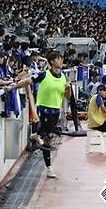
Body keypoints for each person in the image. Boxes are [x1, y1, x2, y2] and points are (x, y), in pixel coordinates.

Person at [32, 51, 71, 179]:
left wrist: (68, 88)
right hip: (44, 108)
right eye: (59, 59)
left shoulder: (63, 77)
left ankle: (37, 134)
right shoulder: (44, 75)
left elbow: (67, 97)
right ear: (52, 61)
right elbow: (29, 81)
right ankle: (49, 167)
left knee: (48, 138)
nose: (61, 61)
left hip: (56, 110)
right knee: (48, 137)